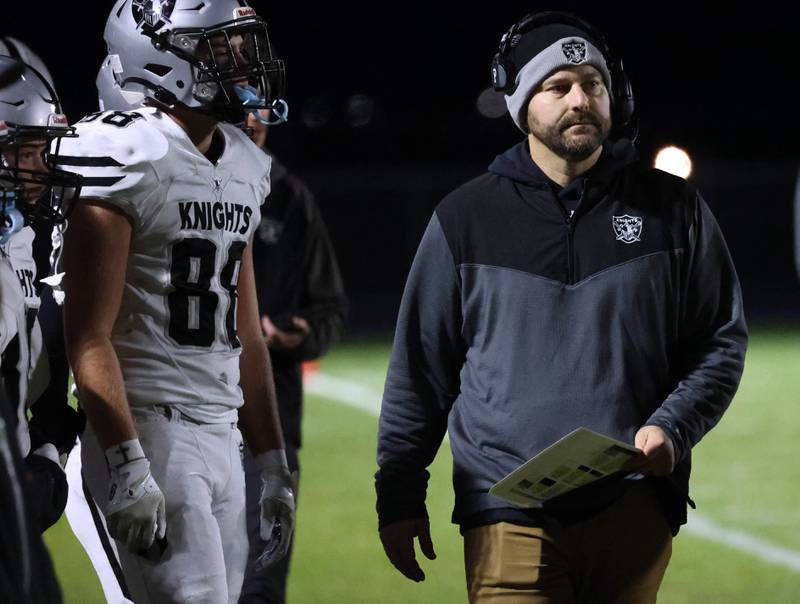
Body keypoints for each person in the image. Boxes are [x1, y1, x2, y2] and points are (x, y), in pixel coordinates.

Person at [375, 11, 747, 603]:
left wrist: (672, 428)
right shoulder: (463, 218)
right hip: (506, 509)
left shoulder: (674, 209)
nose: (580, 99)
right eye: (558, 86)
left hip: (633, 508)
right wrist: (398, 495)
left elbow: (720, 343)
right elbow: (420, 371)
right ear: (522, 102)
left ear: (614, 96)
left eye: (593, 84)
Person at [57, 1, 296, 601]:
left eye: (242, 46)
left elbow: (244, 331)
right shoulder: (125, 152)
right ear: (159, 56)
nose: (241, 62)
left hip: (222, 431)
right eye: (221, 47)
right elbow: (89, 334)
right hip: (149, 427)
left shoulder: (243, 161)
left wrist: (272, 461)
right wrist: (127, 463)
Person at [239, 113, 347, 603]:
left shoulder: (289, 197)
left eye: (258, 106)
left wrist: (290, 337)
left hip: (271, 427)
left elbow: (328, 313)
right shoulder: (167, 183)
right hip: (184, 422)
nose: (249, 119)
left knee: (260, 583)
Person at [0, 53, 83, 532]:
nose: (39, 169)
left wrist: (47, 441)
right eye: (22, 151)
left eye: (41, 151)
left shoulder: (22, 238)